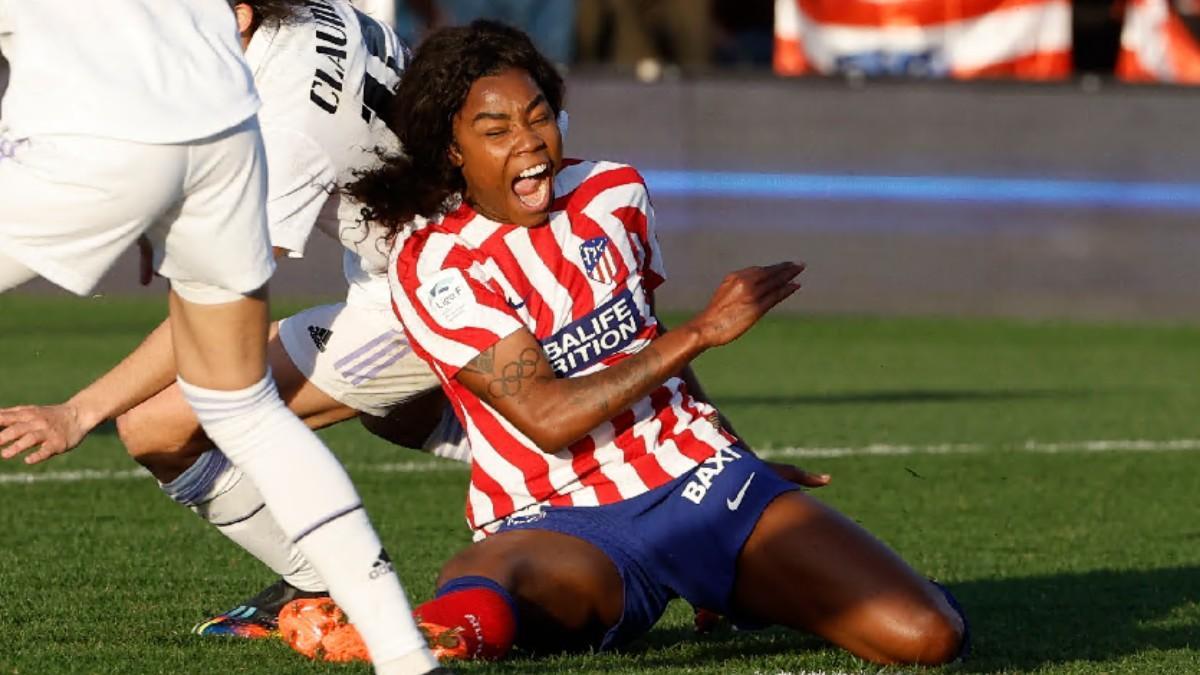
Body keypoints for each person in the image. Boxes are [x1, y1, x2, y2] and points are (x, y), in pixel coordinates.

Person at [281, 20, 968, 666]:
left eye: (538, 115)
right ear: (453, 150)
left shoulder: (614, 193)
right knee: (494, 575)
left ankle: (743, 589)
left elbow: (645, 335)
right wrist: (704, 331)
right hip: (558, 516)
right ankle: (424, 635)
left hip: (697, 476)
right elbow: (548, 417)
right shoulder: (436, 263)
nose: (528, 142)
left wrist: (739, 454)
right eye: (496, 129)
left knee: (930, 635)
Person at [0, 2, 445, 673]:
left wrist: (78, 410)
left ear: (240, 15)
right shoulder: (310, 22)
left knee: (161, 425)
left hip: (428, 303)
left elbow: (212, 298)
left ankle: (344, 583)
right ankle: (376, 626)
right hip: (407, 271)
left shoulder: (283, 121)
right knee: (248, 411)